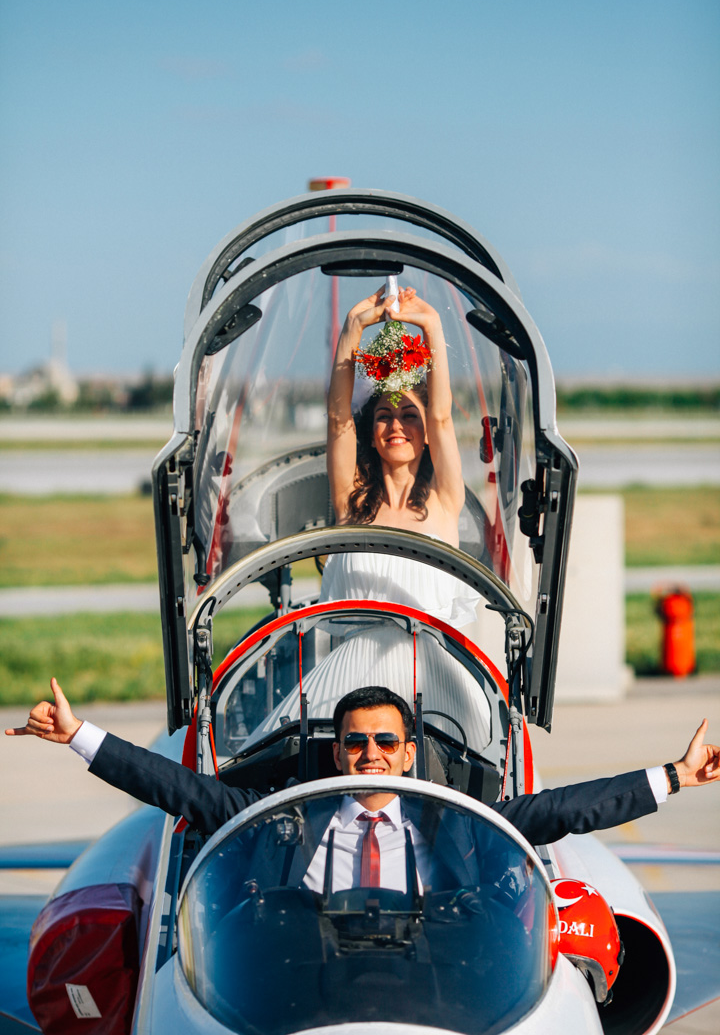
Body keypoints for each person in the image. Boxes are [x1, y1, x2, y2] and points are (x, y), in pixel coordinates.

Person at [7, 681, 720, 894]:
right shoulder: (281, 818)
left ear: (408, 754)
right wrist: (78, 735)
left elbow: (566, 809)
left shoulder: (457, 822)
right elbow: (175, 789)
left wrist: (678, 775)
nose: (369, 754)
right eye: (355, 742)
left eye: (384, 742)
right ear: (337, 752)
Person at [246, 285, 492, 752]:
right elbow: (337, 416)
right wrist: (352, 328)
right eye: (383, 415)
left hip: (432, 680)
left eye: (409, 415)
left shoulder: (444, 499)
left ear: (426, 433)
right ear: (371, 431)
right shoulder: (352, 500)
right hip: (353, 681)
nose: (396, 425)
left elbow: (443, 416)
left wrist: (431, 325)